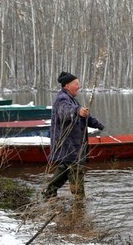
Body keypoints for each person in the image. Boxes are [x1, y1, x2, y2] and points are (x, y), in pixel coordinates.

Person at [42, 71, 104, 201]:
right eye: (76, 84)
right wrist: (77, 111)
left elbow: (84, 115)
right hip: (67, 144)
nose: (79, 86)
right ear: (67, 85)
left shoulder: (72, 100)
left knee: (65, 169)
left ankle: (49, 193)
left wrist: (98, 124)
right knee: (76, 169)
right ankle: (79, 201)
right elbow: (66, 112)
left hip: (70, 146)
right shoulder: (62, 99)